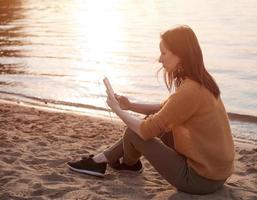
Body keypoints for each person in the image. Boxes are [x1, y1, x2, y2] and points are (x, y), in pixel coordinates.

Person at [67, 25, 235, 195]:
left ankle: (126, 163)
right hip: (216, 174)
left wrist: (117, 110)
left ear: (180, 54)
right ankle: (105, 160)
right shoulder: (200, 81)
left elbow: (146, 131)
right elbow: (167, 109)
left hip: (199, 180)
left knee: (136, 132)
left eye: (164, 53)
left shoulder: (189, 91)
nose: (160, 59)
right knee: (151, 120)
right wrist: (130, 105)